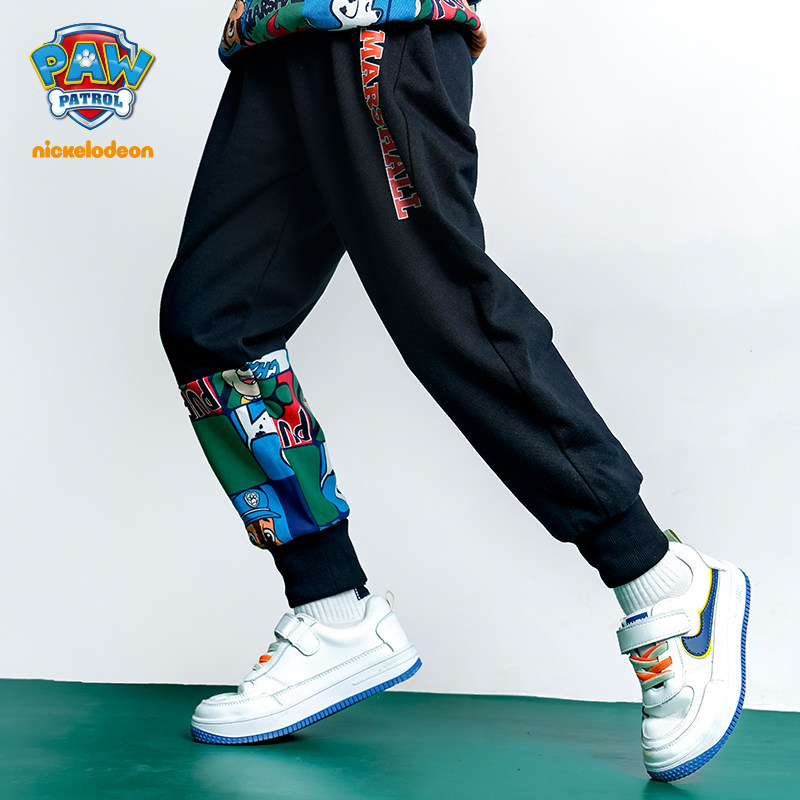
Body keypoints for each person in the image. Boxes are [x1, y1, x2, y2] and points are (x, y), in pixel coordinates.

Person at [159, 0, 750, 782]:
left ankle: (662, 582)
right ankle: (332, 607)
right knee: (212, 325)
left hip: (379, 23)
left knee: (445, 310)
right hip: (276, 32)